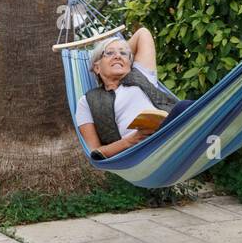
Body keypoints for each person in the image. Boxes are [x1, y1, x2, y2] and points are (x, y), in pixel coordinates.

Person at [75, 27, 195, 159]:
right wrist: (130, 141)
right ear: (96, 67)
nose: (118, 56)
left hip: (171, 132)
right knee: (186, 107)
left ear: (130, 63)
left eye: (123, 53)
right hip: (138, 154)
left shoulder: (141, 73)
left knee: (187, 107)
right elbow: (95, 152)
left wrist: (119, 53)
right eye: (109, 53)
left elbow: (142, 33)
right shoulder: (86, 101)